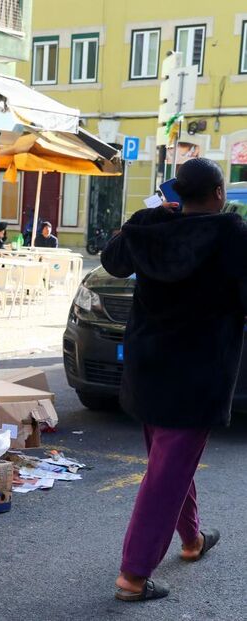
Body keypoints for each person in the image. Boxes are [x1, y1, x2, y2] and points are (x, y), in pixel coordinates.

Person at [101, 158, 247, 602]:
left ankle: (192, 540)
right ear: (219, 193)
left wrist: (144, 220)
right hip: (198, 372)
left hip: (148, 364)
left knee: (168, 462)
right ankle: (133, 575)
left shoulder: (150, 226)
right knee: (167, 472)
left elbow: (112, 261)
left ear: (177, 194)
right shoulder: (232, 236)